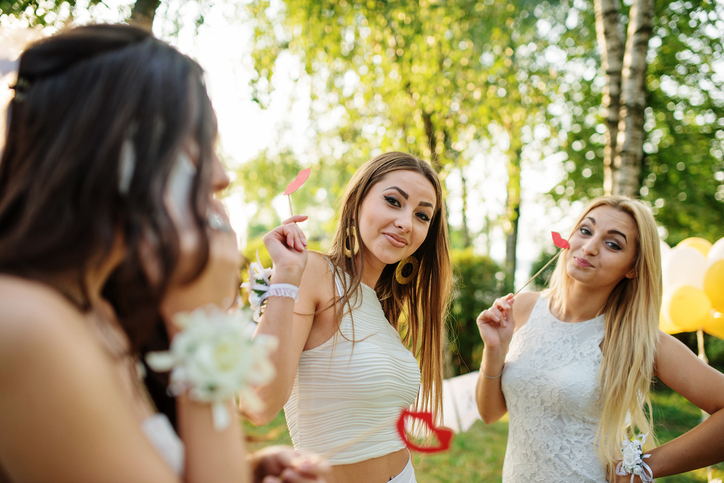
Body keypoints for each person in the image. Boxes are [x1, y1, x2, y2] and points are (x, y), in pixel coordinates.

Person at [0, 24, 327, 483]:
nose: (221, 176)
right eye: (197, 145)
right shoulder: (26, 321)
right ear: (114, 151)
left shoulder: (103, 308)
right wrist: (204, 315)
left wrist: (245, 470)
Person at [475, 195, 724, 482]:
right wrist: (494, 349)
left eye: (613, 244)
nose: (590, 247)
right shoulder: (523, 307)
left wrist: (643, 467)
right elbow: (490, 413)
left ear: (633, 267)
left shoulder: (637, 338)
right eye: (585, 230)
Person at [250, 152, 453, 483]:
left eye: (422, 215)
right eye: (393, 201)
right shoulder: (314, 272)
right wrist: (285, 278)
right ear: (358, 201)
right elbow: (259, 403)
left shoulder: (385, 311)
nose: (406, 222)